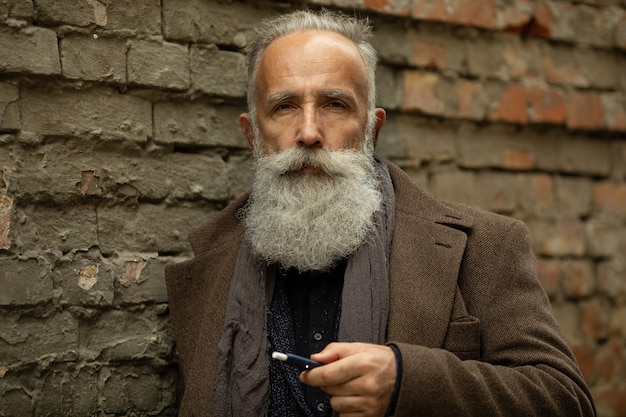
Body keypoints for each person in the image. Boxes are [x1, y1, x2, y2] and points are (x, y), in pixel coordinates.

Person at [165, 9, 596, 417]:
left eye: (335, 104)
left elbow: (565, 399)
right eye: (284, 106)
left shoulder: (485, 244)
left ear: (372, 128)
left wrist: (408, 382)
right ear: (252, 134)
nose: (309, 132)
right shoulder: (208, 268)